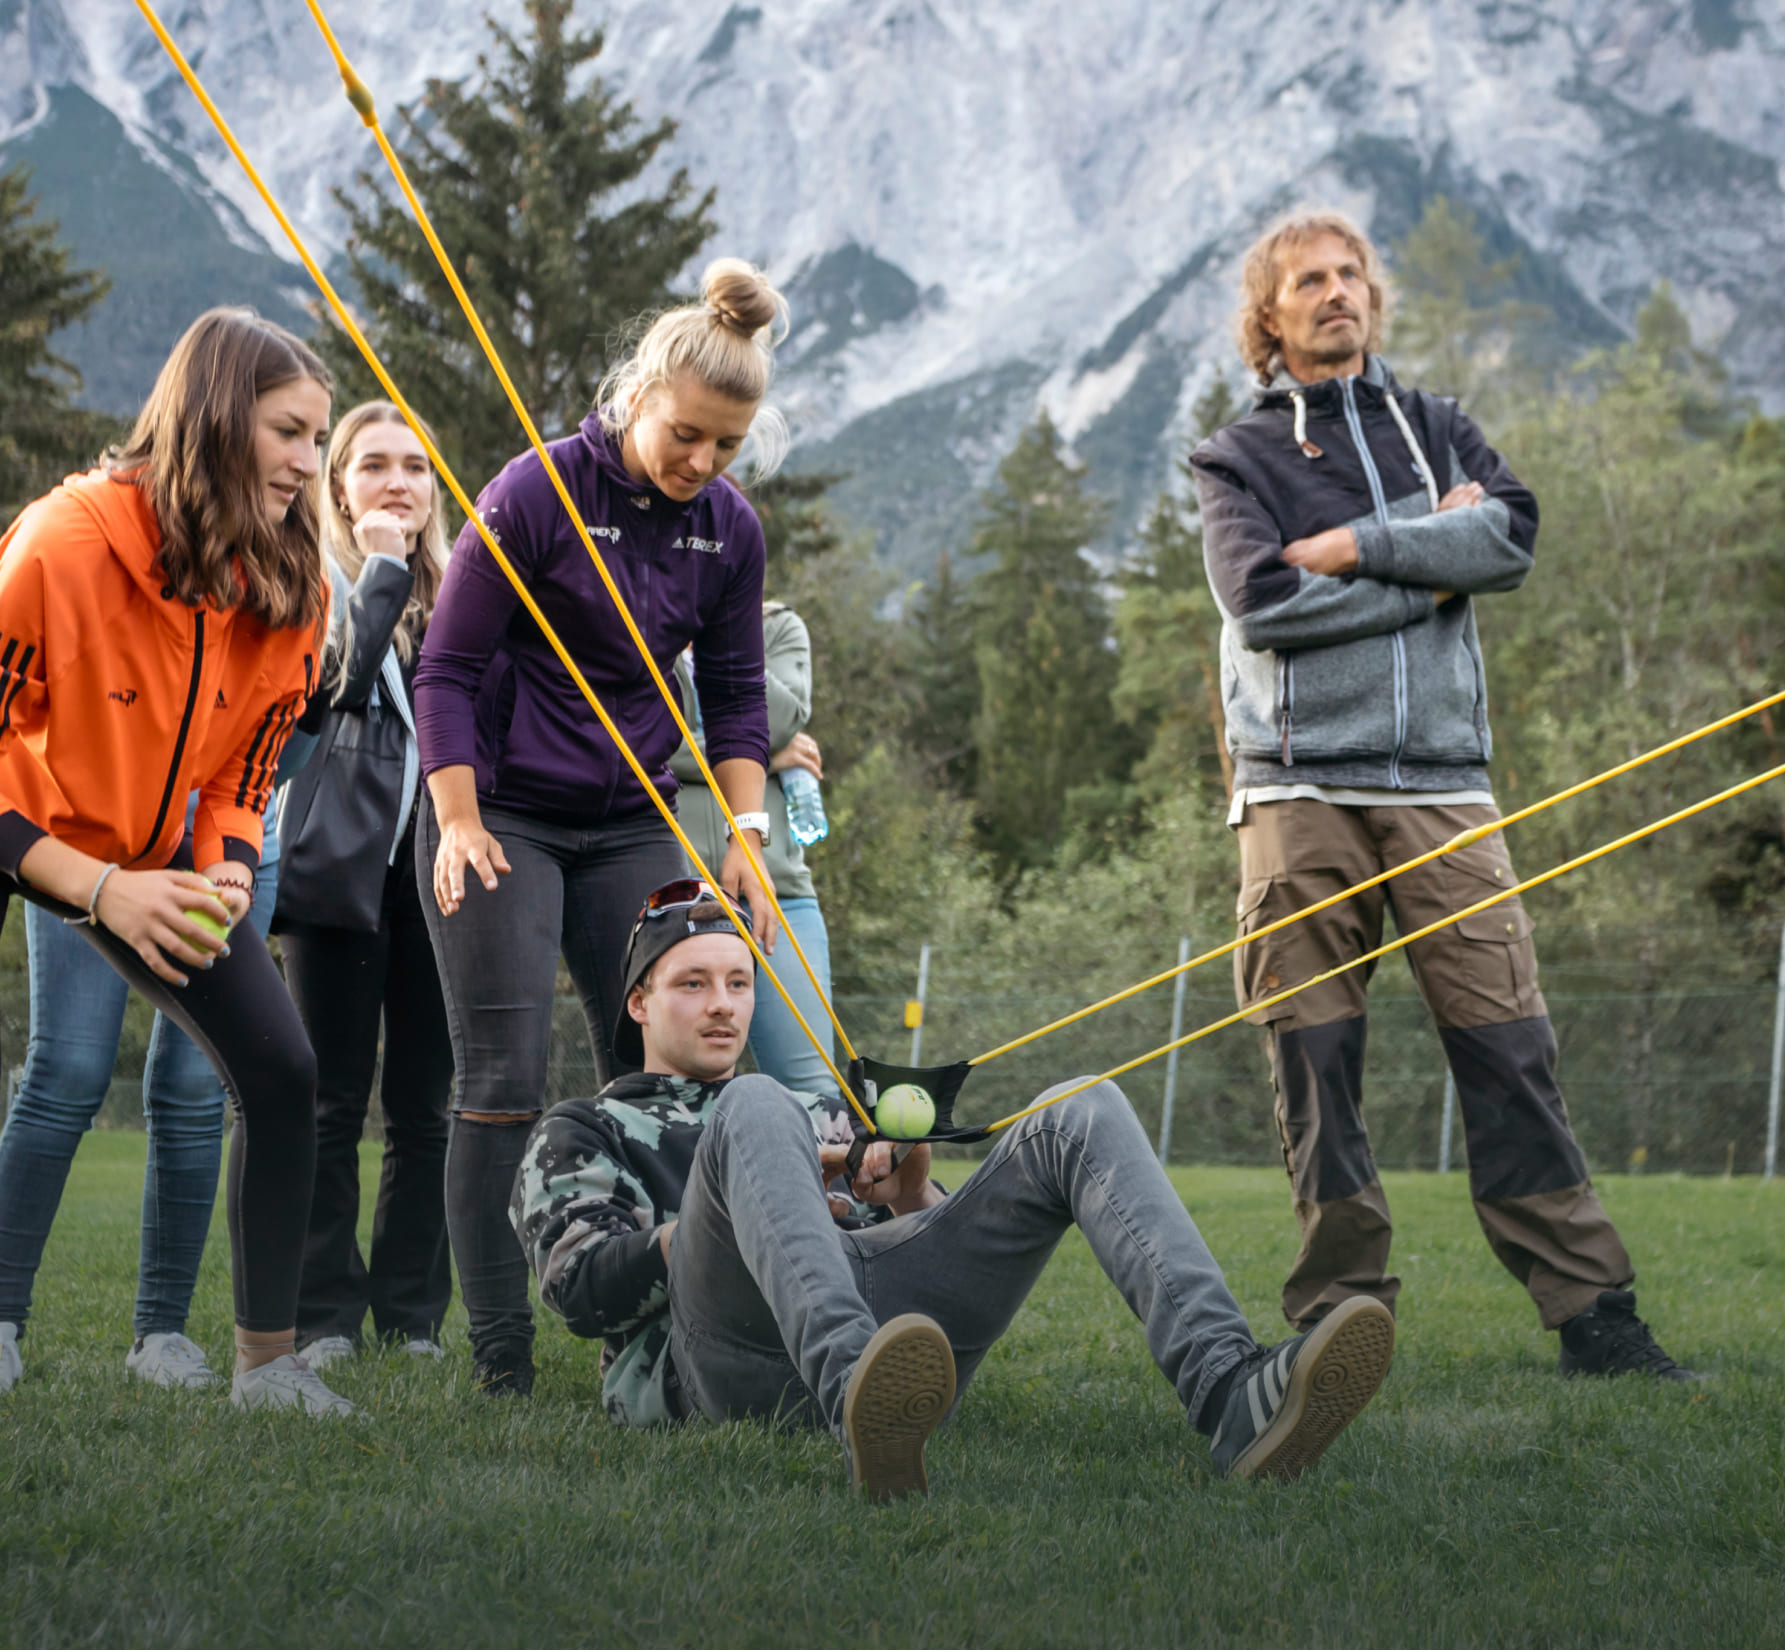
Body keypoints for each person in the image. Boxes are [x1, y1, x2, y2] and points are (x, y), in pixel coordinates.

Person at [1190, 209, 1694, 1379]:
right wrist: (1430, 561)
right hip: (1297, 793)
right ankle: (1340, 1319)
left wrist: (1358, 548)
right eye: (1309, 281)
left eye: (1351, 274)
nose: (1337, 292)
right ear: (1269, 318)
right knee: (1315, 1066)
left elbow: (1509, 540)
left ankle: (1594, 1314)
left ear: (1372, 297)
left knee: (1511, 1049)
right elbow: (1263, 604)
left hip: (1446, 789)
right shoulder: (1235, 456)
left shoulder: (1438, 427)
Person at [512, 880, 1396, 1498]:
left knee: (1079, 1107)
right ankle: (855, 1391)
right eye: (693, 984)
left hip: (875, 1317)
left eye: (739, 983)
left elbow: (912, 1253)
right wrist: (747, 1207)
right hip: (719, 1359)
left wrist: (907, 1193)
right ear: (638, 1002)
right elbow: (581, 1291)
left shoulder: (821, 1111)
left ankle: (1231, 1390)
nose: (722, 1005)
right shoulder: (585, 1127)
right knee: (755, 1103)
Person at [414, 259, 789, 1397]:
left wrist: (746, 835)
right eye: (686, 434)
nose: (702, 462)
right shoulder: (536, 490)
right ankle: (503, 1360)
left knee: (663, 1069)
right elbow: (447, 666)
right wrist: (457, 819)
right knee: (504, 1076)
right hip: (503, 812)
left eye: (727, 445)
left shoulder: (729, 529)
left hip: (630, 815)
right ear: (635, 398)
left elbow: (738, 698)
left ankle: (666, 1332)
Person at [0, 306, 352, 1414]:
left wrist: (229, 866)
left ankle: (265, 1367)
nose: (309, 464)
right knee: (61, 1075)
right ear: (214, 419)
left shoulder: (292, 581)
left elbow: (245, 769)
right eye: (289, 433)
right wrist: (100, 888)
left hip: (157, 865)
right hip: (33, 835)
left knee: (283, 1072)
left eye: (317, 440)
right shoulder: (58, 546)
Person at [274, 401, 456, 1369]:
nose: (397, 482)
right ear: (339, 487)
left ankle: (413, 1316)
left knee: (428, 1106)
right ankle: (323, 1317)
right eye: (374, 464)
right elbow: (333, 685)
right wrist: (382, 570)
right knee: (329, 1102)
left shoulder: (465, 594)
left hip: (442, 875)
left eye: (415, 467)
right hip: (335, 867)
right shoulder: (314, 580)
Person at [0, 792, 282, 1393]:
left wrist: (233, 843)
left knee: (195, 1084)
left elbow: (283, 754)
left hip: (227, 832)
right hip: (92, 815)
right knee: (68, 1069)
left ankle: (162, 1334)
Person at [672, 599, 837, 1094]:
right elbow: (632, 746)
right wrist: (759, 756)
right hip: (668, 891)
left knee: (816, 1094)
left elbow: (781, 720)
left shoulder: (778, 625)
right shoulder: (639, 616)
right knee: (670, 1097)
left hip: (777, 890)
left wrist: (721, 636)